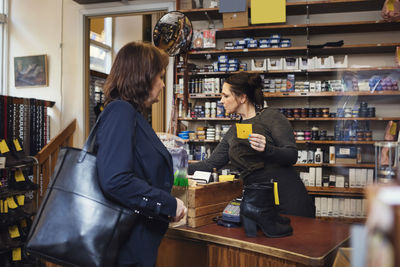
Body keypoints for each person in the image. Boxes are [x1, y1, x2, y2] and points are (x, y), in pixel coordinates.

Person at [188, 72, 315, 238]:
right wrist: (173, 165)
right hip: (257, 204)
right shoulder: (233, 132)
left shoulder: (271, 117)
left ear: (242, 98)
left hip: (288, 198)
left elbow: (291, 155)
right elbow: (210, 164)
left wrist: (267, 149)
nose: (221, 101)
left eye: (226, 95)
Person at [95, 41, 187, 267]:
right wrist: (169, 204)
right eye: (160, 76)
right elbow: (115, 180)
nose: (163, 85)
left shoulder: (132, 114)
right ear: (143, 77)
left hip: (133, 243)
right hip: (123, 247)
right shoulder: (121, 111)